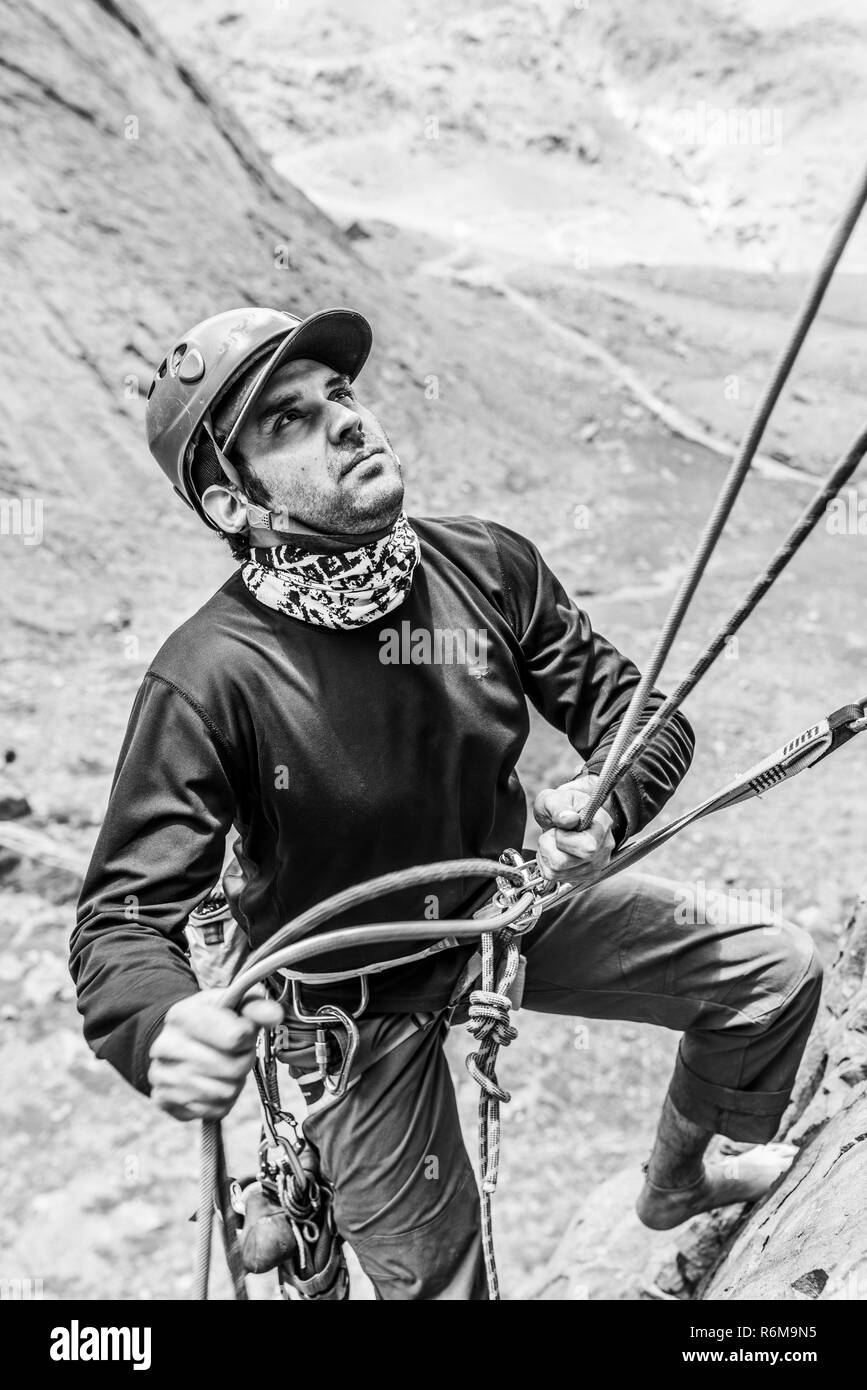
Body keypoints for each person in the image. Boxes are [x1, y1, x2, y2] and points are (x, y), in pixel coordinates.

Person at [70, 305, 822, 1300]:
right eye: (289, 420)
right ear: (229, 501)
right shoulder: (210, 677)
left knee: (771, 971)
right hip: (349, 1001)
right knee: (442, 1286)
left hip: (504, 909)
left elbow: (641, 716)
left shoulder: (486, 566)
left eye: (340, 393)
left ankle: (679, 1181)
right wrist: (161, 1024)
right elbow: (121, 922)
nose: (348, 420)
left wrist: (605, 804)